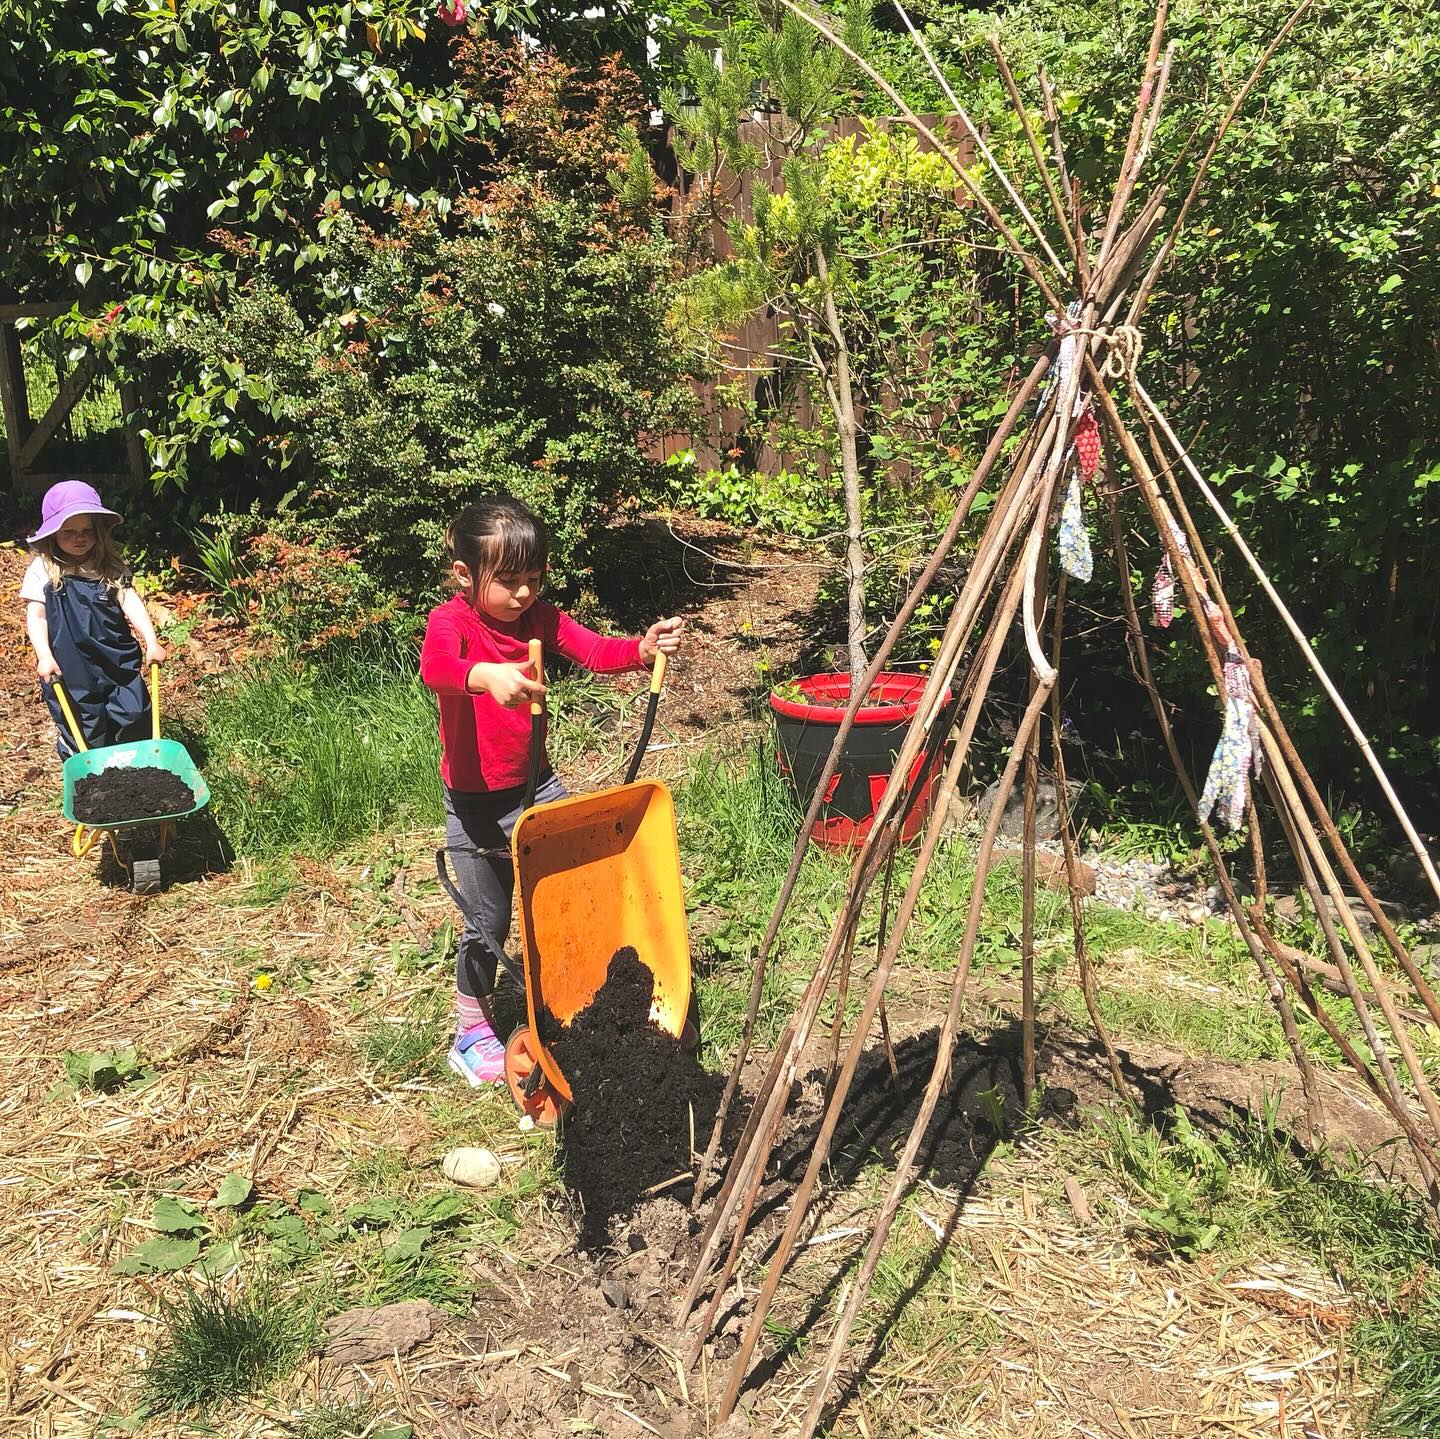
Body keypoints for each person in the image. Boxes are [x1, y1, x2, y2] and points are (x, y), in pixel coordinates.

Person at [419, 496, 685, 1086]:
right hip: (477, 803)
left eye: (533, 581)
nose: (522, 595)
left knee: (567, 893)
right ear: (464, 575)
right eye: (508, 581)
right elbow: (436, 668)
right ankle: (471, 1028)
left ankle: (573, 992)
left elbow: (591, 648)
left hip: (538, 787)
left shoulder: (540, 620)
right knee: (488, 918)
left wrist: (639, 651)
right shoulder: (453, 623)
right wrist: (483, 676)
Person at [20, 480, 166, 758]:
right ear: (52, 535)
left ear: (99, 531)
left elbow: (129, 600)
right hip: (71, 663)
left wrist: (151, 640)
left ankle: (136, 764)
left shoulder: (107, 566)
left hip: (115, 657)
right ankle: (85, 762)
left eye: (87, 530)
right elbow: (37, 616)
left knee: (133, 712)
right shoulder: (44, 570)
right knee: (85, 721)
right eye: (69, 532)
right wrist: (44, 656)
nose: (80, 538)